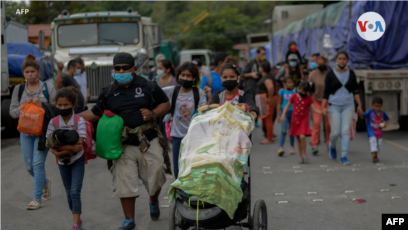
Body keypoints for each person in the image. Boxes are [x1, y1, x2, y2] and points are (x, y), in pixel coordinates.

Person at [79, 52, 170, 229]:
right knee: (124, 183)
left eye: (125, 68)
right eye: (117, 68)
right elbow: (94, 113)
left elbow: (165, 104)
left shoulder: (148, 85)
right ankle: (129, 219)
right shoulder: (109, 91)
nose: (121, 71)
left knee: (156, 176)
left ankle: (153, 200)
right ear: (113, 69)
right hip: (122, 146)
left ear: (134, 68)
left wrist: (153, 113)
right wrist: (71, 119)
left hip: (148, 140)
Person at [9, 54, 56, 210]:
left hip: (43, 133)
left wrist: (41, 104)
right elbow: (12, 112)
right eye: (27, 72)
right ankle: (45, 182)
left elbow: (57, 111)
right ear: (23, 73)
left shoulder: (48, 88)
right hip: (26, 133)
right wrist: (24, 106)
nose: (30, 74)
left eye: (33, 71)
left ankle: (37, 198)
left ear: (38, 72)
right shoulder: (19, 89)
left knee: (37, 164)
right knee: (29, 168)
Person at [47, 87, 86, 230]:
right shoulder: (53, 122)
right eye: (59, 105)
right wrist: (68, 149)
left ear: (73, 105)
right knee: (69, 193)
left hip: (78, 160)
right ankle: (77, 218)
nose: (62, 107)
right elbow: (50, 145)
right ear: (55, 104)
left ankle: (75, 224)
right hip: (62, 163)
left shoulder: (79, 120)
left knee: (75, 191)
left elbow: (79, 145)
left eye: (66, 105)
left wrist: (60, 150)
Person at [162, 62, 207, 178]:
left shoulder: (199, 93)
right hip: (177, 137)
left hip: (194, 138)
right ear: (178, 76)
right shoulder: (172, 91)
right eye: (183, 75)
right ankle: (180, 194)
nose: (185, 78)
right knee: (178, 168)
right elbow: (155, 93)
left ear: (194, 78)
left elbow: (204, 113)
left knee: (193, 167)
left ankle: (191, 192)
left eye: (188, 76)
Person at [321, 51, 364, 165]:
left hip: (348, 105)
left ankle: (344, 156)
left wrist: (359, 105)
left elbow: (355, 91)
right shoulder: (330, 74)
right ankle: (332, 145)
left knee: (345, 131)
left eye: (344, 58)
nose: (342, 60)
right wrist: (322, 108)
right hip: (333, 106)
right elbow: (326, 92)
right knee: (335, 132)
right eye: (339, 58)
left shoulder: (351, 73)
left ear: (347, 60)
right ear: (336, 60)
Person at [280, 81, 321, 164]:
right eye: (302, 91)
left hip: (304, 120)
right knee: (298, 138)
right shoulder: (294, 96)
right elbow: (287, 105)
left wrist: (321, 112)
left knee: (302, 136)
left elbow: (314, 109)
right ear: (298, 89)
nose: (303, 93)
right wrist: (283, 114)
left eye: (305, 92)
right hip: (295, 120)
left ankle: (305, 153)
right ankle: (300, 155)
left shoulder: (309, 98)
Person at [308, 56, 331, 155]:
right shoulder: (312, 74)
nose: (321, 66)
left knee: (328, 124)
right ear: (316, 64)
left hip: (327, 102)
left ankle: (329, 143)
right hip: (316, 101)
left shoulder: (329, 74)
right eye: (319, 64)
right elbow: (309, 89)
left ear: (325, 63)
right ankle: (314, 144)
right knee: (316, 123)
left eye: (323, 64)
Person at [361, 97, 389, 163]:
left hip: (379, 133)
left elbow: (387, 119)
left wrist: (385, 125)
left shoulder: (383, 113)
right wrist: (360, 112)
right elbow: (363, 116)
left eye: (379, 107)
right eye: (375, 106)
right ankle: (374, 157)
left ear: (381, 106)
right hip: (371, 132)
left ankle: (376, 156)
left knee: (378, 146)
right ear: (372, 105)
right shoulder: (370, 112)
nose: (377, 108)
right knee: (373, 143)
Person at [255, 61, 277, 144]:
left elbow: (270, 87)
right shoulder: (266, 76)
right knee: (267, 118)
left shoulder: (267, 77)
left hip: (267, 99)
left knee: (268, 119)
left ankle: (269, 138)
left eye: (260, 66)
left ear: (262, 68)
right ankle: (270, 136)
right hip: (264, 99)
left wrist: (270, 98)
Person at [276, 76, 296, 156]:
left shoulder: (295, 91)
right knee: (284, 130)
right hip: (284, 113)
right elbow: (279, 103)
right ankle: (281, 147)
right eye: (289, 83)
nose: (291, 84)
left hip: (293, 113)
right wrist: (278, 115)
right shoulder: (282, 91)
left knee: (292, 131)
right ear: (285, 84)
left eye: (292, 82)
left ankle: (292, 147)